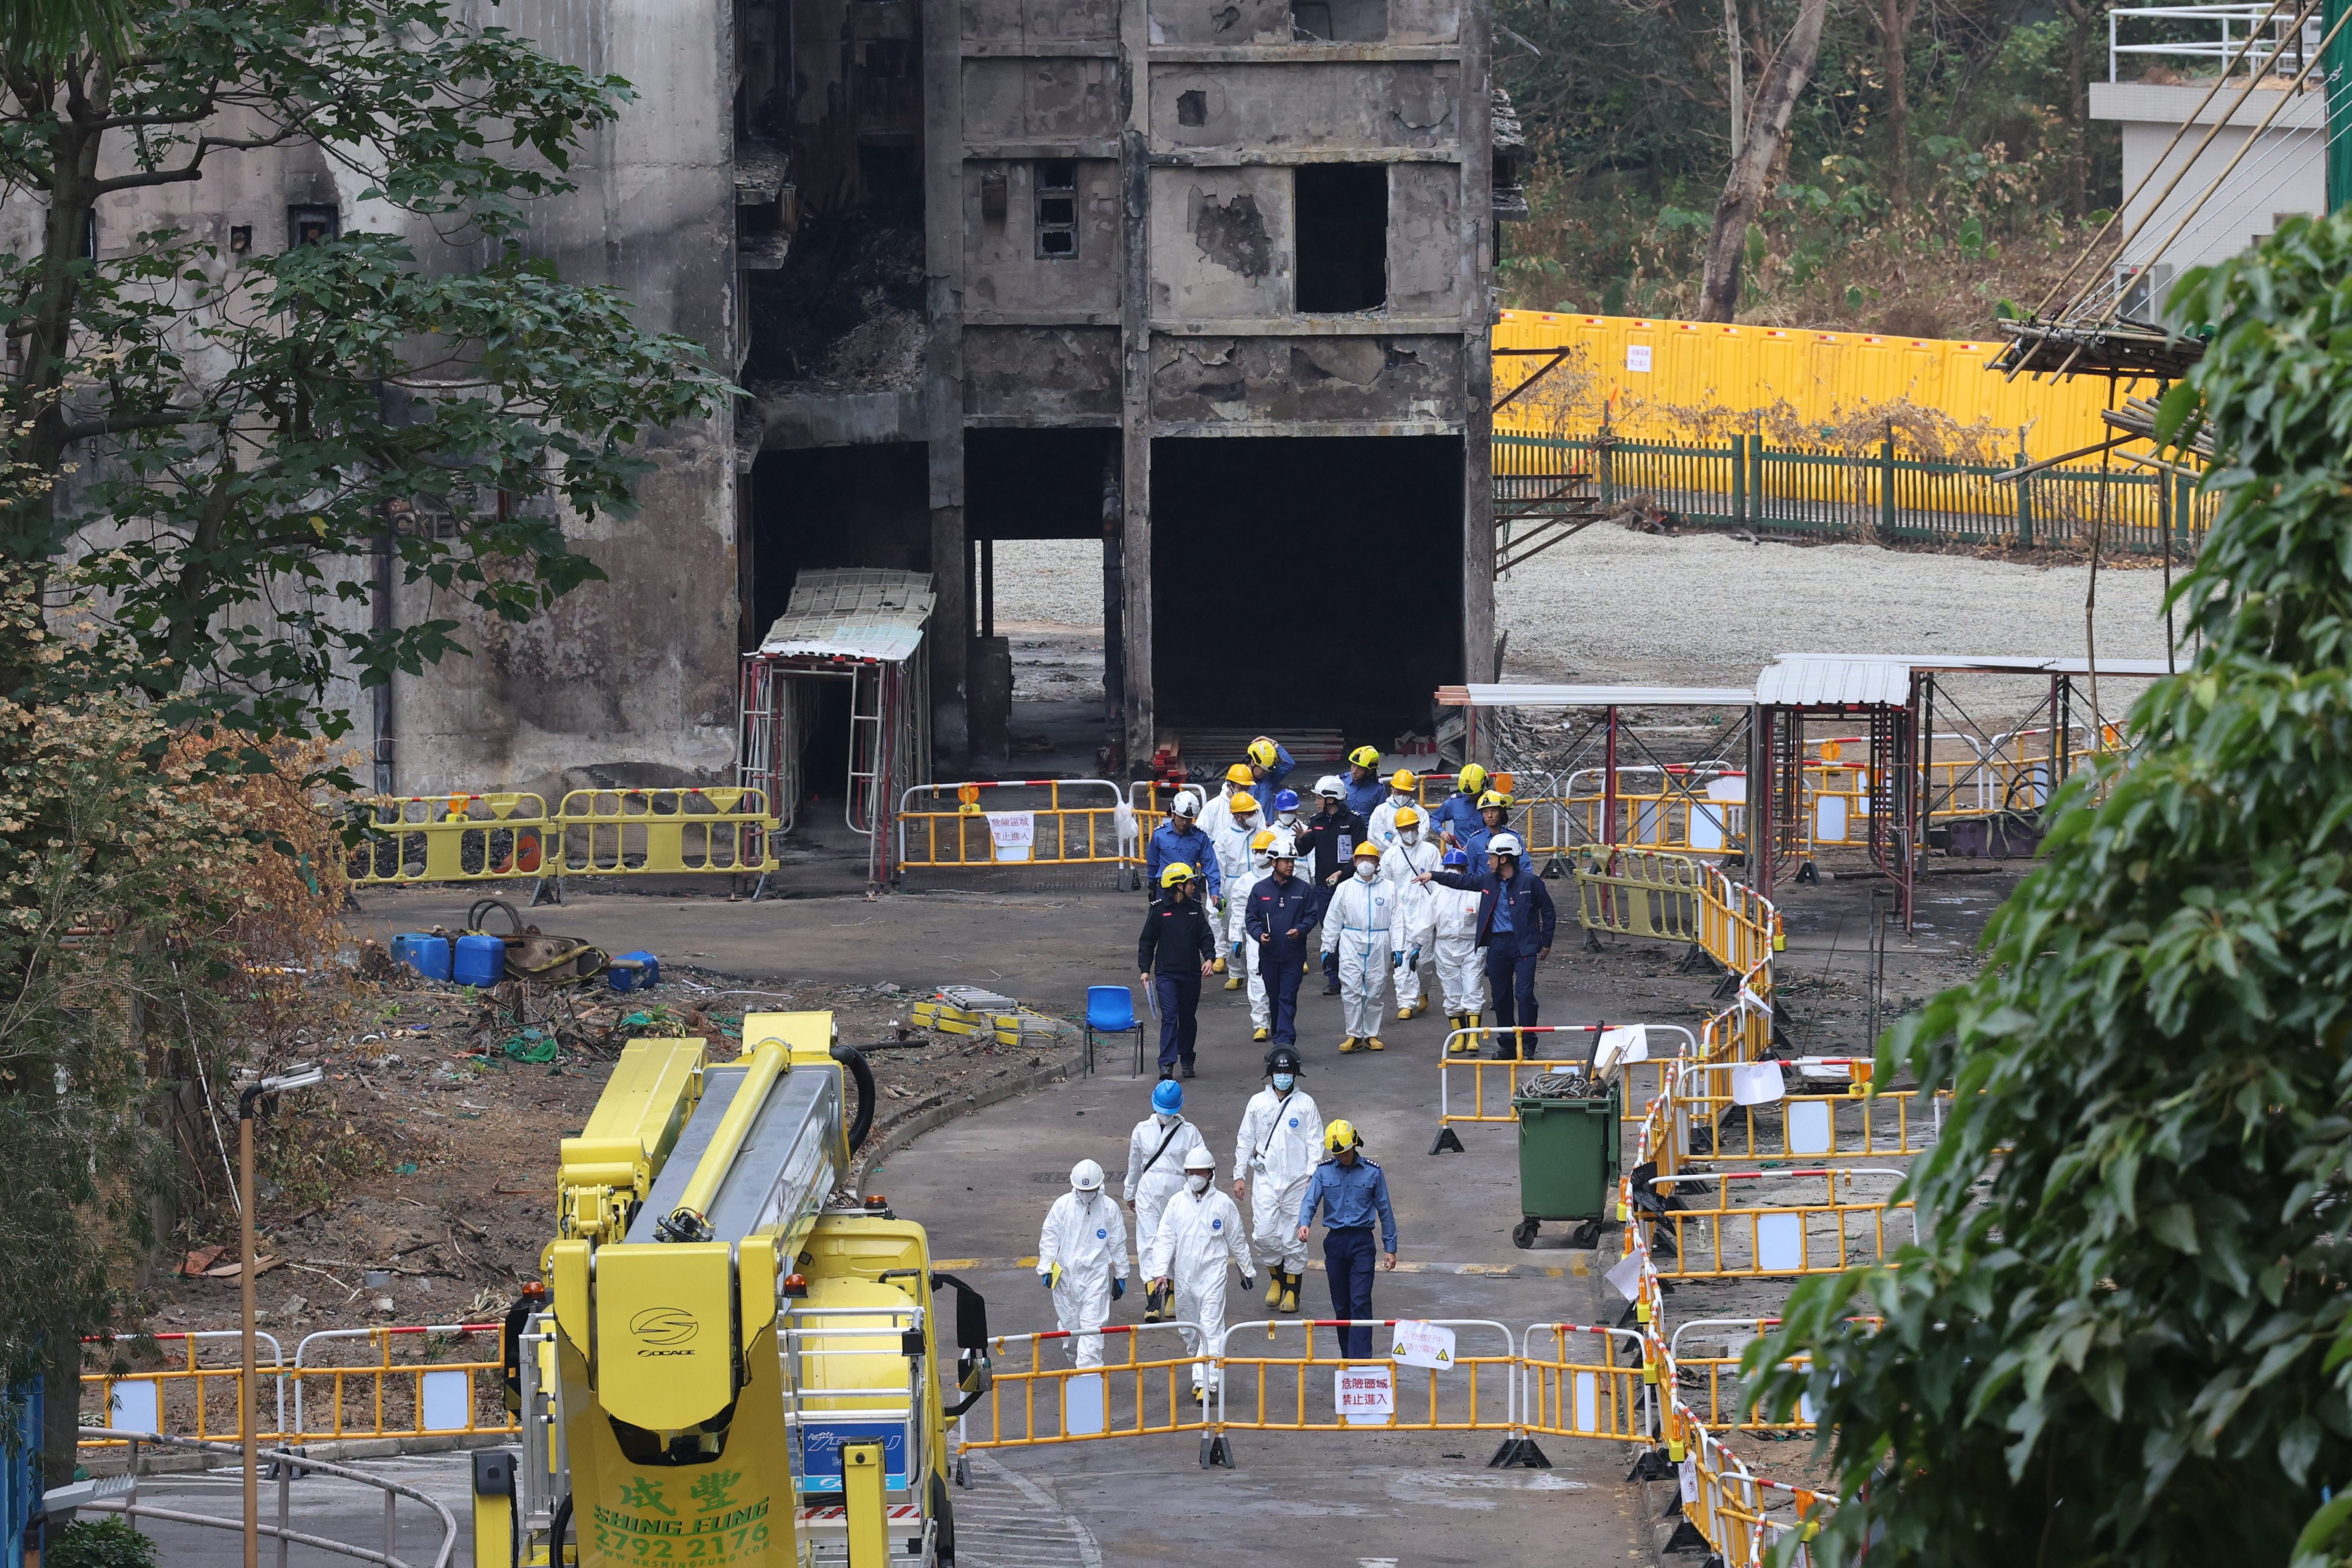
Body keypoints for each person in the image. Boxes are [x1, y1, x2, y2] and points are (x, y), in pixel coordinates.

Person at [1422, 832, 1557, 1059]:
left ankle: (1528, 1043)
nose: (1487, 861)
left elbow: (1549, 911)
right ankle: (1507, 1043)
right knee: (1501, 996)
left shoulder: (1530, 882)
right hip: (1497, 946)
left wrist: (1546, 942)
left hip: (1523, 946)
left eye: (1491, 857)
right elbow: (1461, 881)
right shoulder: (1487, 880)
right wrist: (1433, 875)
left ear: (1504, 859)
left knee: (1524, 995)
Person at [1145, 1145, 1253, 1402]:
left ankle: (1207, 1383)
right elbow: (1164, 1240)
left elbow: (1237, 1239)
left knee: (1211, 1329)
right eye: (1190, 1172)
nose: (1195, 1176)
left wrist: (1246, 1270)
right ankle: (1199, 1365)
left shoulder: (1223, 1205)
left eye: (1200, 1172)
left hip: (1213, 1277)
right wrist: (1160, 1273)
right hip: (1184, 1279)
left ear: (1211, 1174)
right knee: (1191, 1330)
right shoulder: (1176, 1204)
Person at [1295, 1119, 1396, 1360]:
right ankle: (1347, 1358)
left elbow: (1385, 1209)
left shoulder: (1373, 1171)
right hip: (1336, 1243)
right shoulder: (1324, 1171)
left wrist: (1390, 1248)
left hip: (1362, 1243)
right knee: (1341, 1306)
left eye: (1346, 1152)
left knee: (1360, 1301)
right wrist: (1304, 1223)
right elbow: (1310, 1201)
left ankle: (1360, 1361)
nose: (1342, 1157)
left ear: (1355, 1144)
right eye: (1337, 1153)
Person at [1234, 1046, 1323, 1313]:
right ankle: (1276, 1279)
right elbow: (1245, 1140)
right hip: (1265, 1181)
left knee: (1294, 1238)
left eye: (1288, 1073)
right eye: (1278, 1073)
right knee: (1263, 1234)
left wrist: (1312, 1178)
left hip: (1298, 1183)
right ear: (1270, 1074)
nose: (1283, 1078)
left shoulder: (1305, 1104)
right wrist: (1239, 1174)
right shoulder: (1257, 1104)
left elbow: (1315, 1143)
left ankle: (1293, 1290)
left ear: (1296, 1075)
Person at [1037, 1158, 1129, 1368]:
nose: (1086, 1194)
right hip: (1065, 1280)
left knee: (1092, 1333)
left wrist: (1121, 1274)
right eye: (1082, 1189)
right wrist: (1046, 1266)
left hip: (1095, 1279)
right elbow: (1050, 1237)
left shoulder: (1109, 1209)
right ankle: (1079, 1362)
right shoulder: (1062, 1206)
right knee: (1072, 1334)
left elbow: (1118, 1243)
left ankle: (1089, 1379)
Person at [1125, 1079, 1207, 1308]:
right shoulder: (1142, 1130)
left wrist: (1203, 1192)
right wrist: (1130, 1192)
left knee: (1176, 1242)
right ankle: (1152, 1298)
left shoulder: (1190, 1133)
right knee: (1148, 1242)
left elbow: (1203, 1164)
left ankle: (1172, 1294)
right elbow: (1134, 1164)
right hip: (1148, 1191)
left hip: (1178, 1191)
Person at [1137, 863, 1217, 1077]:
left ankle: (1188, 1059)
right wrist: (1145, 970)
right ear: (1179, 886)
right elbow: (1147, 942)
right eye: (1191, 882)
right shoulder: (1159, 911)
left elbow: (1206, 936)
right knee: (1171, 1016)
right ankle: (1167, 1064)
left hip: (1191, 974)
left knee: (1188, 1018)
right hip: (1166, 975)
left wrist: (1210, 958)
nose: (1194, 885)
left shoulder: (1194, 908)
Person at [1318, 840, 1396, 1053]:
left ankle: (1371, 1034)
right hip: (1351, 941)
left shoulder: (1389, 888)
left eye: (1370, 859)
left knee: (1375, 989)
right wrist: (1327, 946)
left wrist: (1399, 947)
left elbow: (1398, 920)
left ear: (1377, 863)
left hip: (1380, 941)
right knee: (1351, 989)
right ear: (1354, 862)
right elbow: (1334, 919)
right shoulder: (1344, 889)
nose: (1365, 863)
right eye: (1361, 859)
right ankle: (1354, 1034)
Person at [1243, 839, 1318, 1044]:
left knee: (1287, 998)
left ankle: (1285, 1041)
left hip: (1294, 956)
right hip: (1269, 956)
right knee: (1275, 999)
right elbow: (1250, 918)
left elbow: (1312, 916)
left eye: (1292, 861)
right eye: (1285, 861)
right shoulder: (1260, 890)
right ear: (1274, 863)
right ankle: (1279, 1033)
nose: (1290, 865)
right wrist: (1259, 935)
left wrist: (1301, 930)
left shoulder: (1303, 889)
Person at [1380, 808, 1442, 1020]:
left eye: (1412, 828)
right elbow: (1386, 887)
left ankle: (1423, 990)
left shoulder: (1430, 851)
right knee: (1402, 960)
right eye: (1405, 829)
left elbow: (1438, 883)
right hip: (1400, 914)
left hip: (1425, 911)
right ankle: (1406, 1002)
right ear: (1398, 830)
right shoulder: (1390, 856)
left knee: (1424, 961)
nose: (1409, 832)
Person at [1428, 848, 1489, 1051]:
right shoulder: (1438, 894)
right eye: (1450, 868)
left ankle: (1473, 1038)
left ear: (1465, 870)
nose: (1453, 871)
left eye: (1457, 868)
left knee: (1472, 991)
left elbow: (1487, 921)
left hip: (1471, 946)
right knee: (1452, 993)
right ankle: (1459, 1038)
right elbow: (1426, 922)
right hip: (1445, 946)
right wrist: (1417, 946)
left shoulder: (1476, 894)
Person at [1210, 794, 1264, 989]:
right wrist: (1218, 893)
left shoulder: (1262, 833)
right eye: (1249, 813)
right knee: (1233, 930)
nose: (1253, 816)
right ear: (1238, 816)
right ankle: (1236, 972)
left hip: (1259, 882)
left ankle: (1261, 970)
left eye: (1254, 812)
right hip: (1232, 888)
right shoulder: (1225, 838)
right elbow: (1218, 867)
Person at [1144, 791, 1222, 903]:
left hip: (1190, 889)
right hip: (1165, 889)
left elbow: (1210, 865)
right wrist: (1152, 886)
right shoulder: (1159, 835)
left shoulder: (1200, 837)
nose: (1185, 822)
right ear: (1173, 814)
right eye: (1181, 818)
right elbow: (1153, 863)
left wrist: (1214, 890)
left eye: (1189, 819)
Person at [1432, 763, 1490, 849]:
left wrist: (1474, 846)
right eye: (1468, 794)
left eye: (1474, 793)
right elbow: (1434, 818)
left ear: (1483, 785)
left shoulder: (1492, 803)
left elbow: (1499, 830)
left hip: (1487, 854)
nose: (1471, 796)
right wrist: (1442, 832)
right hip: (1462, 856)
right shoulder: (1455, 803)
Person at [1195, 762, 1256, 843]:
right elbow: (1200, 837)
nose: (1243, 792)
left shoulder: (1254, 806)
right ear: (1229, 785)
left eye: (1246, 789)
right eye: (1240, 788)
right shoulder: (1213, 806)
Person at [1366, 770, 1419, 849]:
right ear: (1392, 789)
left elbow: (1421, 836)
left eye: (1405, 792)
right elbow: (1376, 835)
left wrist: (1393, 839)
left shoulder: (1421, 812)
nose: (1402, 795)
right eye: (1399, 792)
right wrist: (1396, 850)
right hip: (1386, 855)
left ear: (1412, 792)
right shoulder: (1380, 811)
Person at [1458, 790, 1510, 863]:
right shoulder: (1475, 840)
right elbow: (1470, 871)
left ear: (1501, 812)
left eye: (1494, 811)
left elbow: (1525, 867)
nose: (1490, 816)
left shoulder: (1513, 837)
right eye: (1485, 811)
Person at [1245, 736, 1298, 803]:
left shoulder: (1270, 778)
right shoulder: (1237, 781)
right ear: (1253, 762)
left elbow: (1289, 764)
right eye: (1264, 769)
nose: (1266, 772)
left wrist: (1274, 744)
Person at [1342, 746, 1388, 816]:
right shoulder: (1340, 782)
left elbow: (1382, 815)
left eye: (1360, 769)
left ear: (1369, 771)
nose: (1354, 771)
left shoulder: (1378, 788)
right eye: (1353, 766)